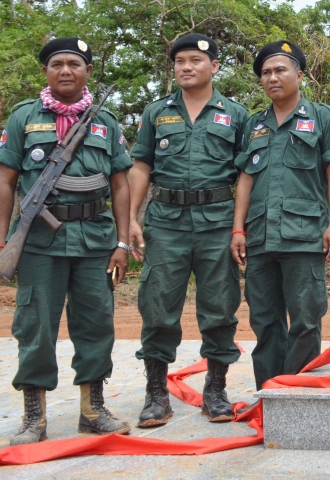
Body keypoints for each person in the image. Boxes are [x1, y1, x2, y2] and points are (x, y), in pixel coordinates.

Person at [0, 37, 133, 444]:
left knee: (95, 324)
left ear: (87, 71)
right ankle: (34, 416)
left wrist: (123, 242)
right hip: (38, 242)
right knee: (35, 326)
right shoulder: (23, 119)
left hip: (94, 241)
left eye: (74, 63)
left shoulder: (106, 123)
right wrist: (1, 245)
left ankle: (93, 409)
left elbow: (120, 185)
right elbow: (5, 184)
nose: (66, 70)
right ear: (46, 71)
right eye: (57, 63)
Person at [128, 33, 250, 426]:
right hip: (165, 223)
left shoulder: (236, 115)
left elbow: (247, 175)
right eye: (179, 61)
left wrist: (237, 229)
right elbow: (141, 166)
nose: (185, 66)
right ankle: (156, 393)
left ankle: (215, 390)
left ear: (214, 66)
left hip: (217, 223)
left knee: (219, 307)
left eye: (195, 60)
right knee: (158, 307)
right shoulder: (155, 113)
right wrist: (130, 218)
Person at [230, 40, 330, 389]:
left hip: (305, 236)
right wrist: (238, 230)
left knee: (306, 320)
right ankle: (268, 394)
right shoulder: (254, 124)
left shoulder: (323, 117)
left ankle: (298, 395)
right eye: (266, 73)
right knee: (265, 321)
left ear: (299, 73)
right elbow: (245, 179)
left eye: (280, 69)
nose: (272, 77)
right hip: (261, 237)